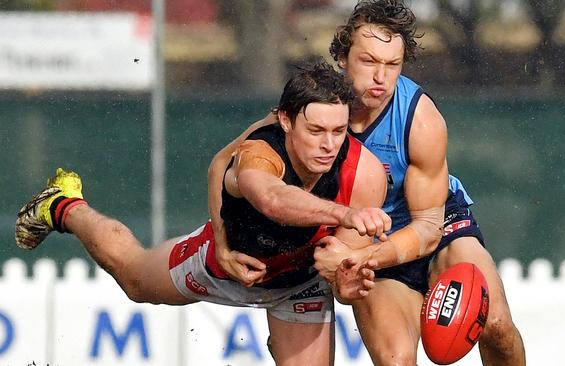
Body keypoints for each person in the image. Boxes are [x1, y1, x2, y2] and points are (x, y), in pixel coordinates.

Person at [208, 1, 526, 365]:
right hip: (366, 236)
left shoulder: (420, 120)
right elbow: (222, 162)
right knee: (396, 360)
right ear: (343, 57)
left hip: (433, 224)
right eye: (369, 61)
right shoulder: (312, 108)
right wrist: (221, 243)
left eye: (392, 65)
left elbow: (427, 229)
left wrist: (358, 258)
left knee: (497, 324)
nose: (381, 78)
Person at [15, 61, 391, 366]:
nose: (329, 145)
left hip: (297, 282)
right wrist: (223, 246)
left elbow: (341, 269)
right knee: (133, 278)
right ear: (286, 121)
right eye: (316, 130)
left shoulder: (366, 175)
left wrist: (345, 281)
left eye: (339, 131)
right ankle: (62, 205)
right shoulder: (260, 151)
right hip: (223, 266)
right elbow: (272, 199)